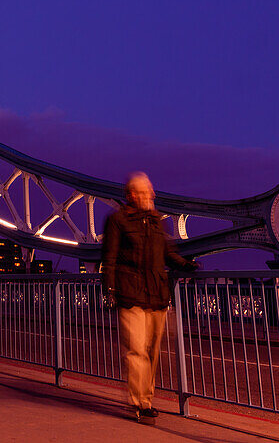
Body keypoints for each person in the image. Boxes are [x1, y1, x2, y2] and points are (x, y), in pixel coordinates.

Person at [101, 172, 198, 424]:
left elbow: (168, 253)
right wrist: (109, 289)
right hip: (130, 294)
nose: (151, 195)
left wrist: (188, 265)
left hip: (157, 295)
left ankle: (148, 397)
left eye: (151, 191)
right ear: (132, 195)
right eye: (146, 191)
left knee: (152, 353)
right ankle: (140, 403)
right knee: (136, 350)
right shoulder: (117, 220)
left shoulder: (157, 221)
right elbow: (109, 258)